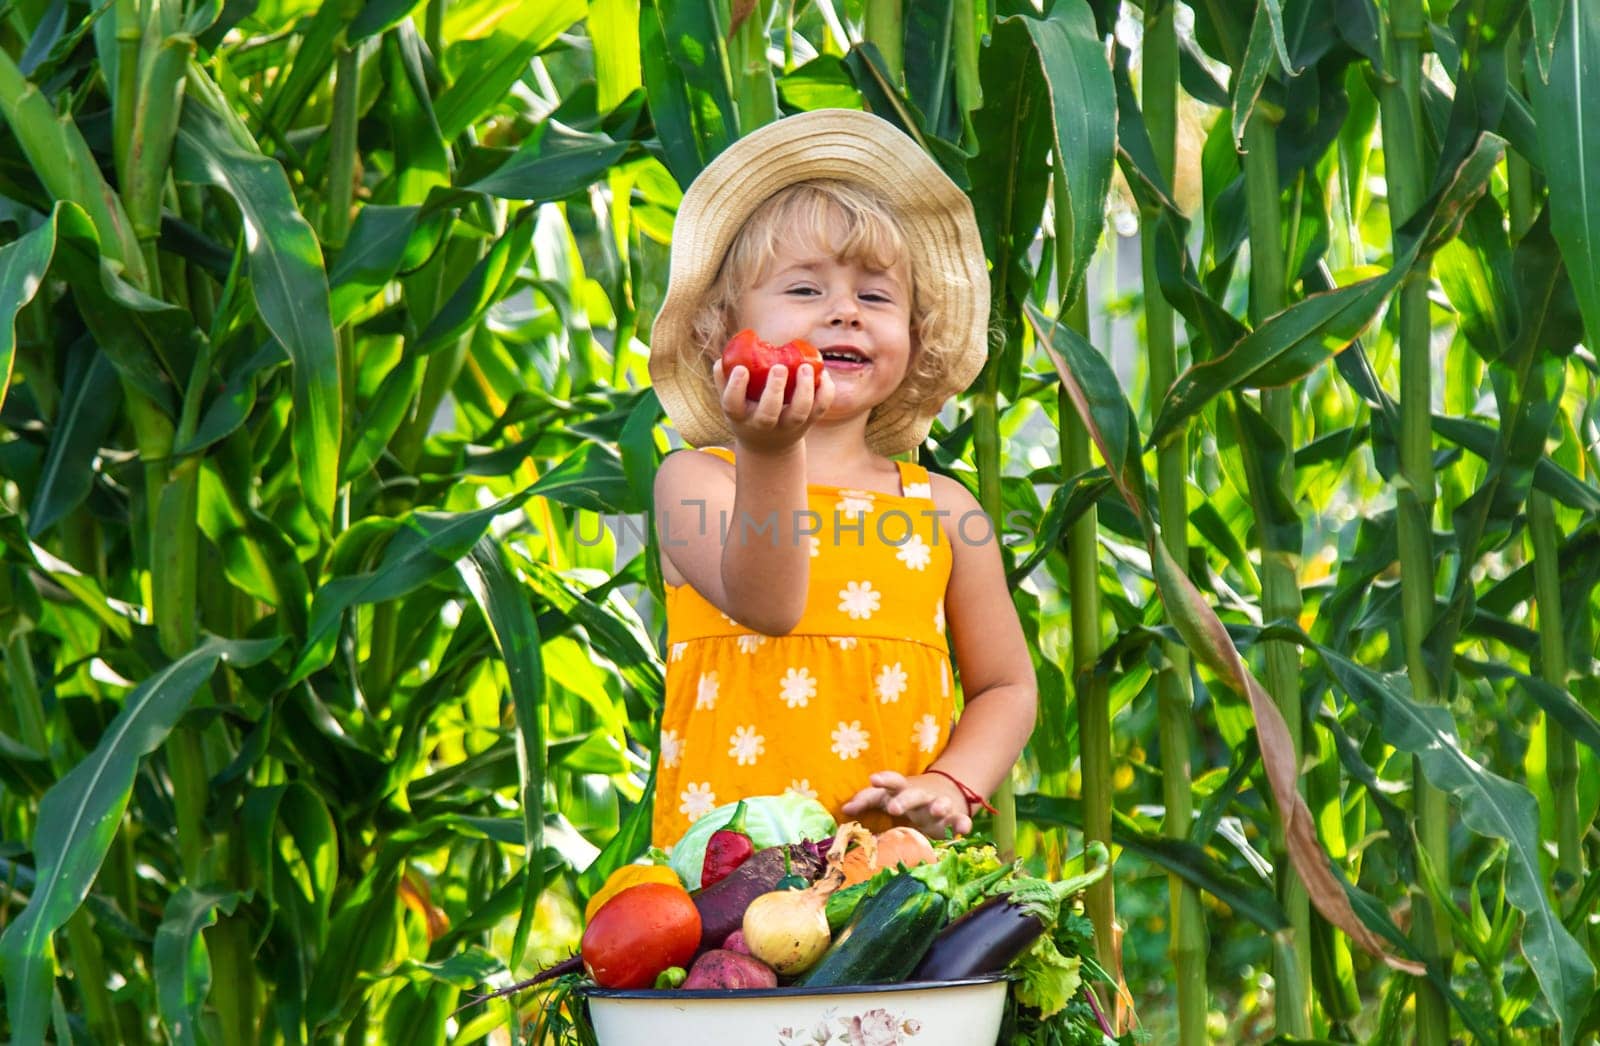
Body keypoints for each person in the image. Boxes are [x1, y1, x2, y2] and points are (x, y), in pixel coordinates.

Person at [646, 109, 1036, 848]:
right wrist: (769, 450)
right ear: (726, 328)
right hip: (726, 890)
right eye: (804, 291)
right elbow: (770, 604)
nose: (846, 313)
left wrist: (951, 782)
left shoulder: (944, 509)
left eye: (877, 297)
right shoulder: (695, 482)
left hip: (890, 881)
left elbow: (1007, 687)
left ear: (915, 338)